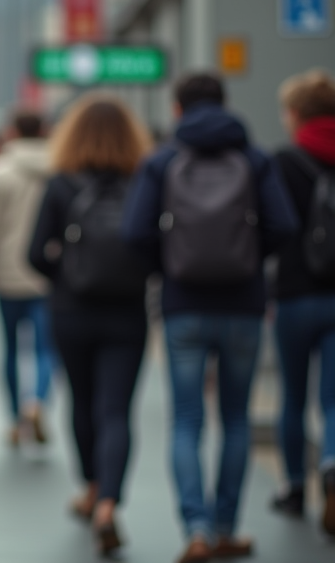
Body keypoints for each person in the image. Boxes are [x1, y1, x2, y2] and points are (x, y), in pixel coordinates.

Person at [123, 72, 297, 563]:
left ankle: (195, 530)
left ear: (178, 110)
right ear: (224, 104)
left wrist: (171, 267)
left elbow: (135, 233)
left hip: (184, 307)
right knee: (236, 419)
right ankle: (226, 529)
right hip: (244, 304)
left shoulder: (163, 160)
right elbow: (284, 225)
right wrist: (248, 259)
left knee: (186, 421)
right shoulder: (255, 157)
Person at [27, 94, 153, 556]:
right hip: (128, 312)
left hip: (72, 311)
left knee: (82, 402)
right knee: (117, 409)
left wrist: (67, 276)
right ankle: (109, 504)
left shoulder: (61, 184)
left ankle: (91, 487)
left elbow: (35, 253)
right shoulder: (141, 181)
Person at [268, 69, 335, 532]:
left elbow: (270, 230)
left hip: (293, 294)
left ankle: (294, 487)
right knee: (334, 400)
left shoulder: (283, 161)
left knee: (293, 397)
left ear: (295, 114)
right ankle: (332, 463)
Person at [0, 108, 55, 446]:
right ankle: (39, 401)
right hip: (48, 274)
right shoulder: (58, 167)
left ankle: (16, 419)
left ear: (12, 131)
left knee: (10, 350)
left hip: (6, 273)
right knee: (46, 349)